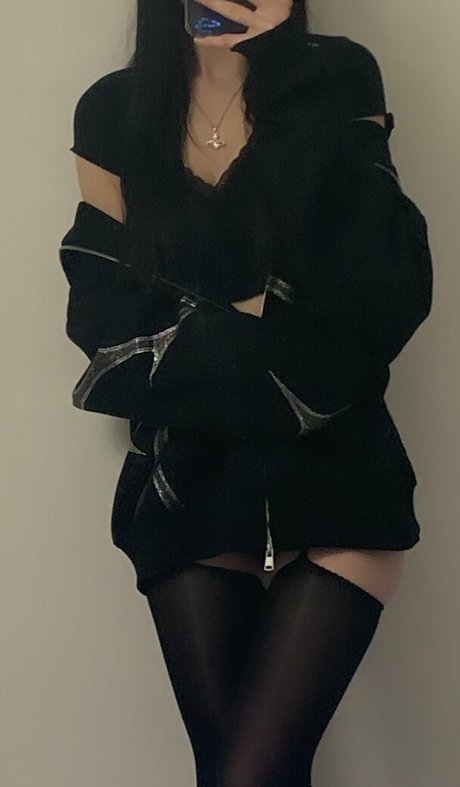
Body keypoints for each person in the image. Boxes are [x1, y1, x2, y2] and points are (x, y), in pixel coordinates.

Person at [59, 0, 433, 784]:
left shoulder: (335, 76)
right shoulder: (113, 112)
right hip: (187, 480)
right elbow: (106, 330)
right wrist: (272, 321)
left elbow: (381, 287)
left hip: (340, 466)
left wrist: (286, 78)